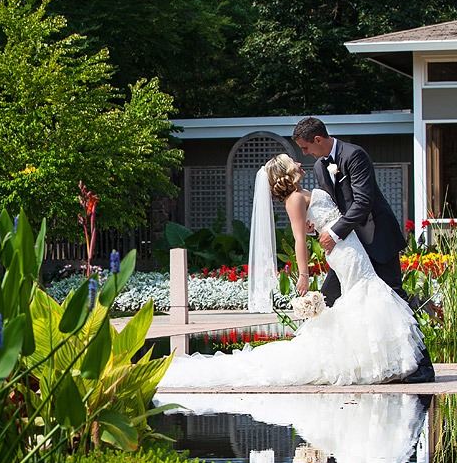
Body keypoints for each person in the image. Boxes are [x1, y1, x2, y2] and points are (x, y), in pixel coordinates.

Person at [160, 152, 426, 387]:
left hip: (349, 245)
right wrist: (304, 274)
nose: (299, 162)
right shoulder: (295, 199)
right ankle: (372, 362)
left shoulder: (304, 193)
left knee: (365, 297)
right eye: (293, 161)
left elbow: (317, 225)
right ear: (286, 172)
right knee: (366, 295)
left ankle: (373, 360)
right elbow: (299, 238)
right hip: (345, 253)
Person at [293, 116, 435, 384]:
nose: (305, 153)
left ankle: (423, 367)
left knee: (395, 299)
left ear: (318, 140)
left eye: (306, 147)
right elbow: (333, 209)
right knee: (328, 299)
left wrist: (334, 233)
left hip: (376, 238)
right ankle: (336, 366)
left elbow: (364, 201)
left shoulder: (354, 155)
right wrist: (317, 229)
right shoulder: (321, 167)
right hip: (349, 249)